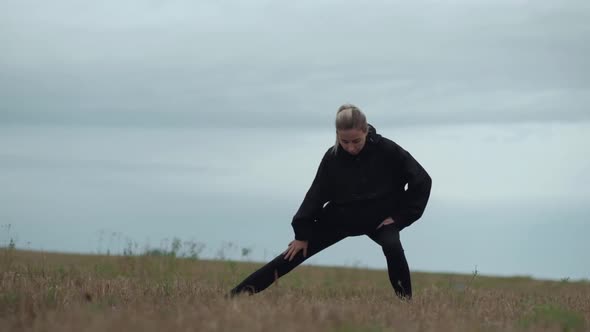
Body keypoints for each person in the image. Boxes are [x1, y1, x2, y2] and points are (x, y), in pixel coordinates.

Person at [229, 104, 432, 300]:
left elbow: (422, 181)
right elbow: (316, 195)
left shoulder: (388, 150)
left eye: (356, 141)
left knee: (392, 246)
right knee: (292, 254)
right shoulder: (332, 158)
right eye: (345, 142)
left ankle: (406, 303)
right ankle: (233, 297)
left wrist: (399, 217)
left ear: (366, 131)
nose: (350, 147)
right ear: (337, 135)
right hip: (341, 219)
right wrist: (302, 233)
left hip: (380, 219)